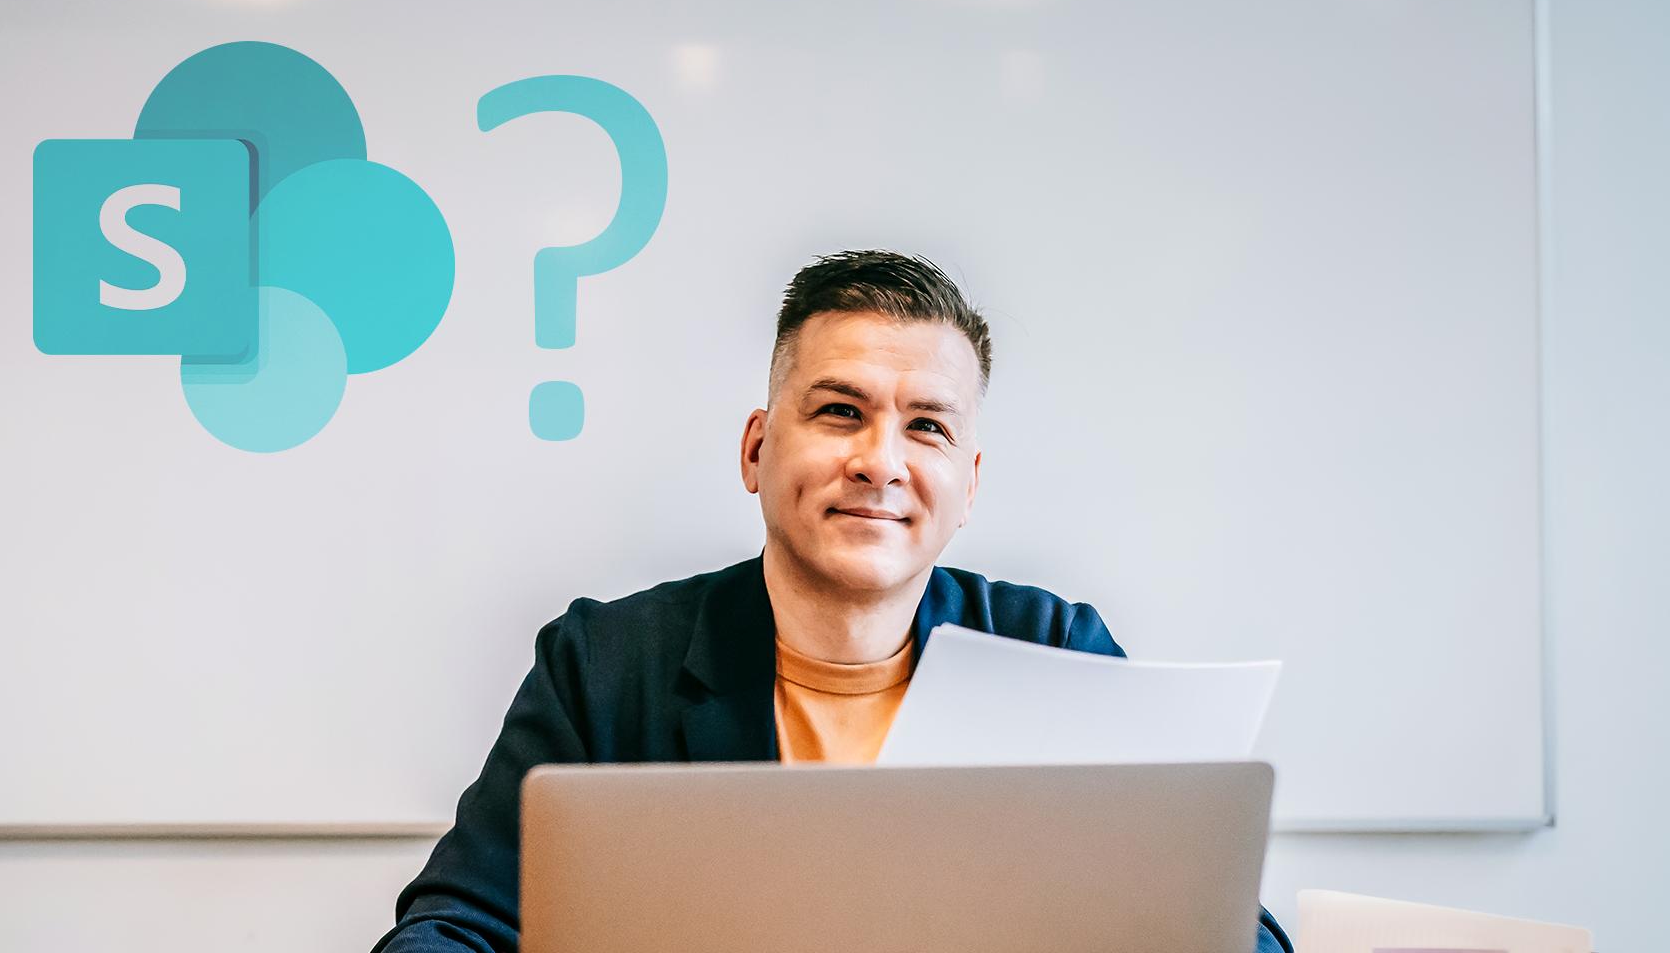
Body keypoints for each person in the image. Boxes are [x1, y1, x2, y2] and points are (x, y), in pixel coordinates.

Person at [372, 251, 1292, 953]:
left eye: (925, 426)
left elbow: (1229, 927)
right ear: (756, 450)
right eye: (840, 411)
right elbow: (451, 927)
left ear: (967, 486)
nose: (880, 461)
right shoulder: (605, 664)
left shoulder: (1058, 650)